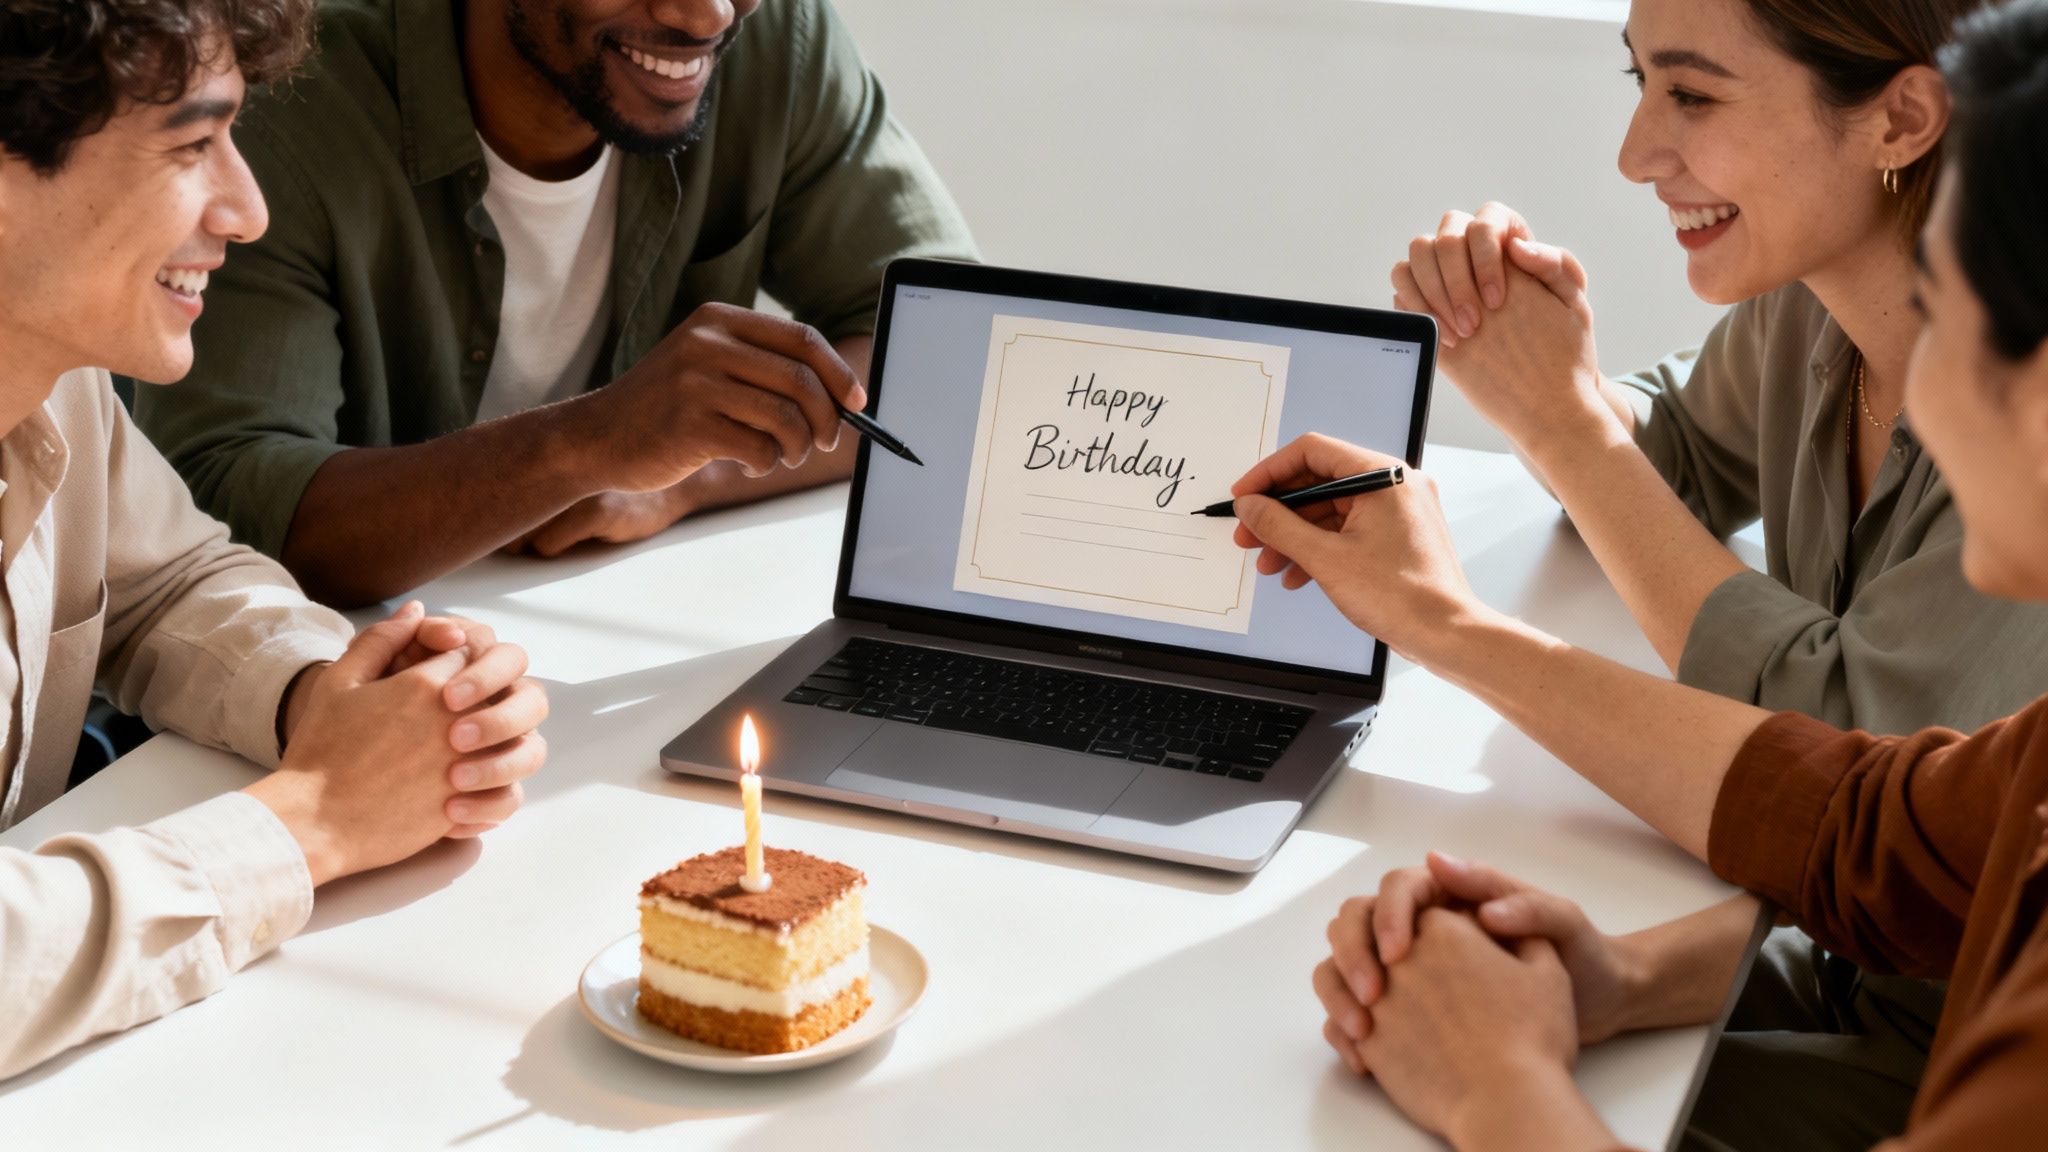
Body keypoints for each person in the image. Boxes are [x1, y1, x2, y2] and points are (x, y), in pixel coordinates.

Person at [1241, 2, 2048, 1147]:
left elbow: (1853, 760)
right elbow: (1876, 842)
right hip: (1852, 976)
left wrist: (1497, 1088)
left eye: (1951, 317)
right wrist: (1619, 973)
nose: (1630, 155)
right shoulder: (1810, 306)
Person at [0, 0, 548, 1079]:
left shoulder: (56, 384)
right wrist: (312, 825)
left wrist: (331, 696)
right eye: (194, 145)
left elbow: (171, 582)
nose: (247, 208)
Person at [131, 0, 980, 607]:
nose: (707, 16)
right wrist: (589, 445)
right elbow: (226, 513)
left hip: (612, 642)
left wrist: (678, 482)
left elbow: (948, 352)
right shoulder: (292, 89)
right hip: (341, 695)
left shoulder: (777, 41)